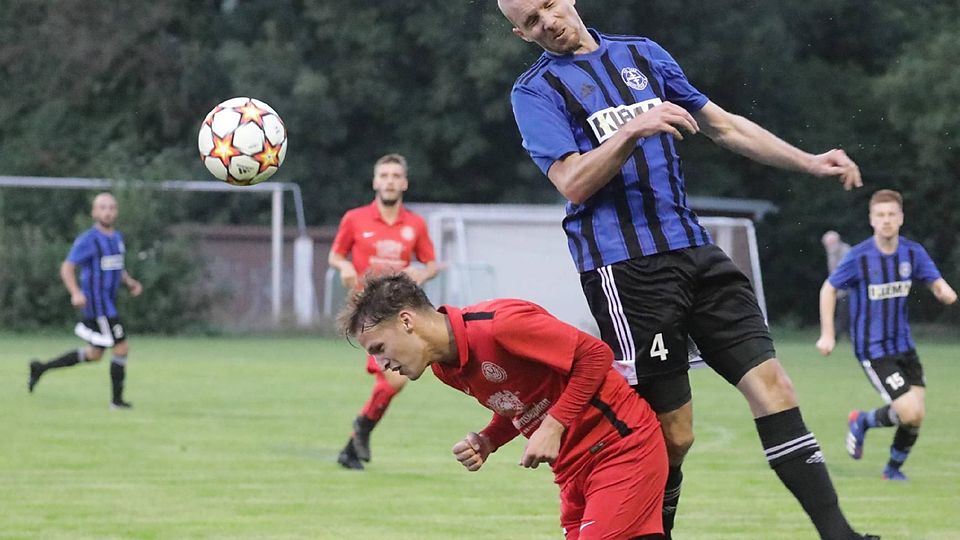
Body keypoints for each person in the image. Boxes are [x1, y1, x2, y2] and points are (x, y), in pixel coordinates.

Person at [497, 1, 877, 538]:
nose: (549, 22)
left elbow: (723, 126)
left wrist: (809, 161)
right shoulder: (535, 91)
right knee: (673, 435)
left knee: (775, 387)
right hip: (626, 269)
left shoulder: (642, 54)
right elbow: (572, 182)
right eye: (532, 21)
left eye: (549, 5)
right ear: (521, 34)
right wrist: (633, 129)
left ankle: (841, 535)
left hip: (695, 251)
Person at [340, 273, 669, 539]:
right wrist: (489, 440)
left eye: (379, 348)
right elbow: (519, 401)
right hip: (571, 472)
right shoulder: (444, 368)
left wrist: (552, 426)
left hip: (619, 449)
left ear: (406, 321)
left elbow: (595, 355)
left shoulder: (500, 325)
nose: (381, 364)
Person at [816, 189, 956, 481]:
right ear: (871, 219)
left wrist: (943, 291)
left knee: (915, 415)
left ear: (901, 218)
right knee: (909, 412)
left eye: (892, 214)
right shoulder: (859, 257)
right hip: (874, 349)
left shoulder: (912, 252)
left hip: (904, 345)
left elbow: (935, 281)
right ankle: (866, 426)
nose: (886, 220)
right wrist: (828, 334)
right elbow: (829, 289)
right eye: (880, 215)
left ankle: (888, 465)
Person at [329, 153, 440, 470]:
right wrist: (344, 266)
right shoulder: (355, 219)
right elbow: (335, 256)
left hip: (398, 313)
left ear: (404, 183)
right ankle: (362, 429)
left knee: (395, 379)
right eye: (384, 175)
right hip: (366, 313)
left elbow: (431, 264)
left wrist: (422, 274)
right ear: (375, 182)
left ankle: (354, 443)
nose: (390, 181)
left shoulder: (415, 224)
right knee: (396, 378)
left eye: (396, 176)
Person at [28, 192, 143, 409]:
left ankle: (40, 368)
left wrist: (129, 282)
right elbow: (67, 267)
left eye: (111, 207)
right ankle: (117, 402)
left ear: (116, 212)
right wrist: (75, 292)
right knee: (121, 347)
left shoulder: (117, 238)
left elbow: (116, 266)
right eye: (103, 207)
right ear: (94, 212)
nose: (108, 212)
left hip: (108, 304)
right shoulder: (88, 240)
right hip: (99, 307)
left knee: (94, 354)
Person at [822, 230, 852, 338]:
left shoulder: (846, 251)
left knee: (843, 315)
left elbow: (845, 273)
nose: (828, 246)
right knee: (843, 314)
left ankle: (835, 336)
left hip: (848, 290)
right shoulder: (832, 252)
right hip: (838, 290)